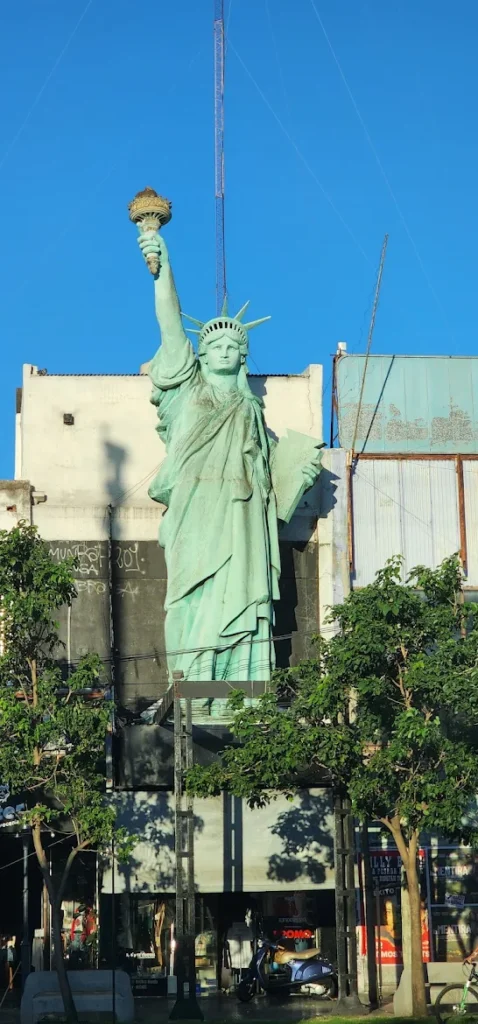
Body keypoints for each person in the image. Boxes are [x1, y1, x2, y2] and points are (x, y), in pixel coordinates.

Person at [137, 231, 321, 682]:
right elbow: (169, 324)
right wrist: (164, 267)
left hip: (241, 516)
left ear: (243, 358)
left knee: (243, 593)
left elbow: (271, 478)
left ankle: (242, 683)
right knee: (191, 595)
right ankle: (195, 678)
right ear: (201, 353)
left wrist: (301, 470)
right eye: (215, 346)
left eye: (233, 348)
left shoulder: (250, 410)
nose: (224, 351)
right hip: (195, 511)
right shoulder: (187, 390)